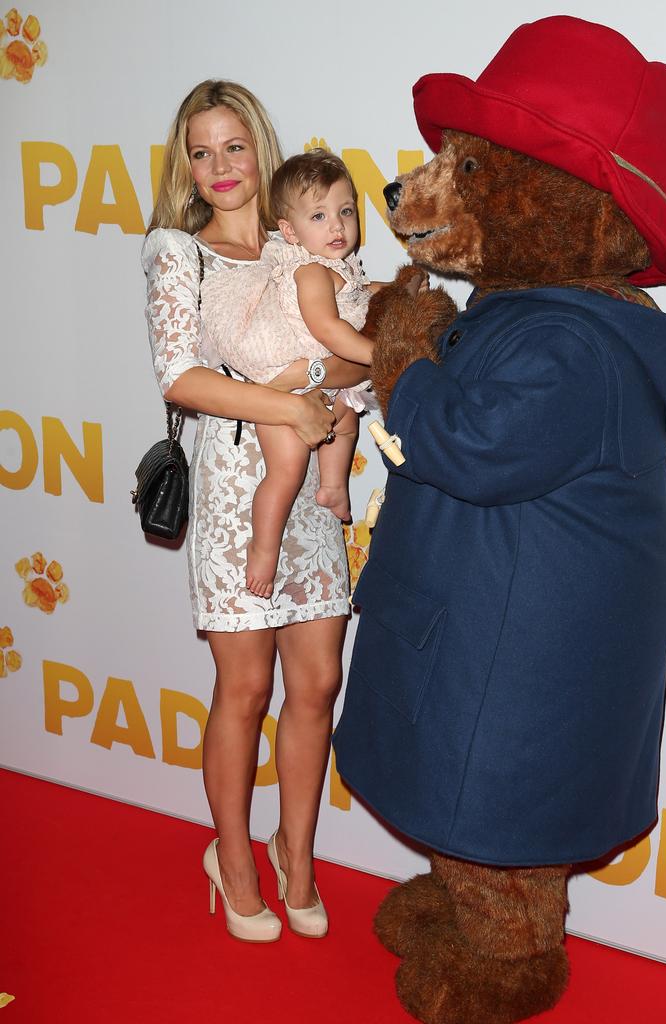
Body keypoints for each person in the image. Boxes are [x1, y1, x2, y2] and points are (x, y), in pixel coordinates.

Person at [142, 79, 366, 942]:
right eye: (202, 152)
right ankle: (231, 859)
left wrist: (309, 387)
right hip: (241, 491)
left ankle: (295, 854)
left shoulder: (309, 237)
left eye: (234, 146)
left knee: (317, 685)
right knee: (244, 688)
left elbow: (353, 360)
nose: (220, 166)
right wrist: (290, 408)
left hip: (315, 488)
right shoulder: (178, 251)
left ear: (260, 150)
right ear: (187, 168)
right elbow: (181, 378)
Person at [203, 149, 377, 598]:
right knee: (286, 471)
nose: (337, 226)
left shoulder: (337, 268)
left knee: (347, 418)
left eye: (345, 212)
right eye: (319, 216)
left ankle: (334, 486)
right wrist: (378, 354)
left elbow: (359, 292)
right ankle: (262, 549)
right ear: (290, 231)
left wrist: (395, 288)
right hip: (287, 383)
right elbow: (329, 330)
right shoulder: (310, 272)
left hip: (319, 383)